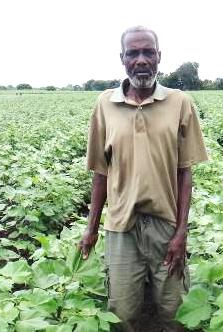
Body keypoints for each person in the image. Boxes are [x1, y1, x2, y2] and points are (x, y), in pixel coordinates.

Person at [78, 26, 208, 331]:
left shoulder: (180, 102)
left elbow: (184, 172)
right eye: (133, 53)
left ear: (159, 57)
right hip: (121, 226)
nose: (141, 60)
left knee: (174, 308)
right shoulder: (104, 105)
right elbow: (100, 172)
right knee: (122, 311)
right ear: (122, 58)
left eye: (148, 52)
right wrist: (91, 229)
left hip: (165, 225)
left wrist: (181, 232)